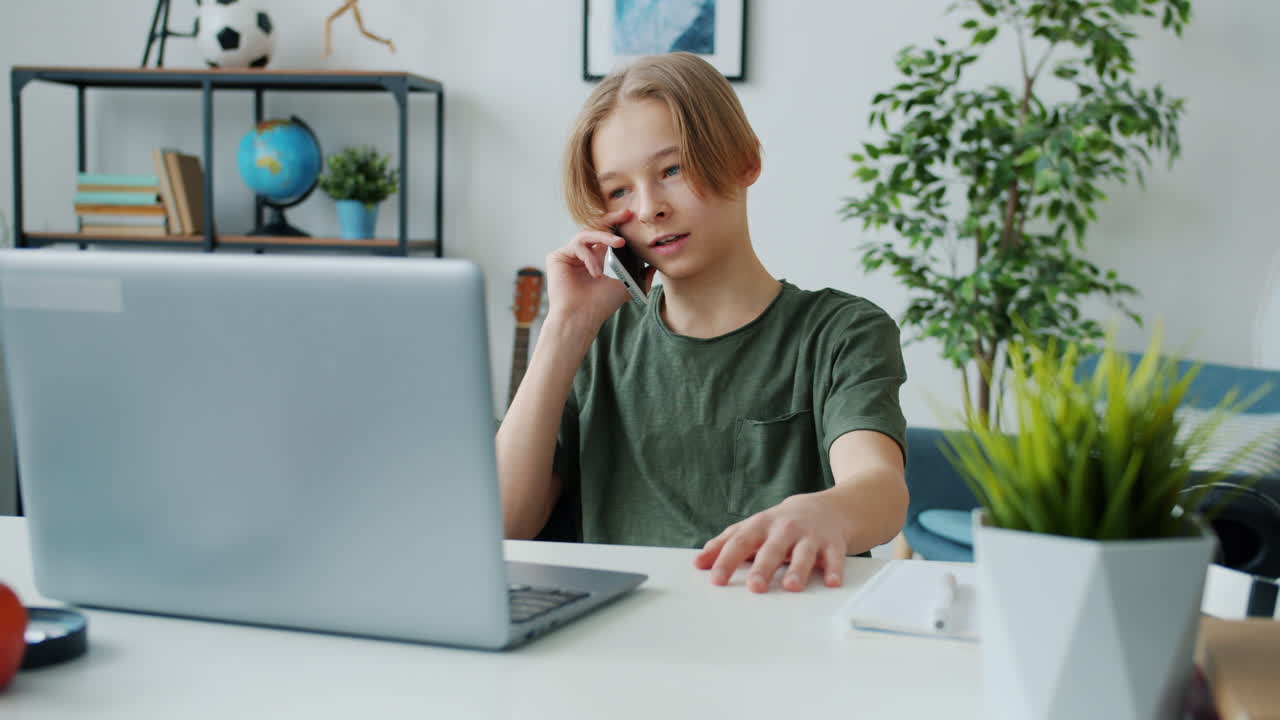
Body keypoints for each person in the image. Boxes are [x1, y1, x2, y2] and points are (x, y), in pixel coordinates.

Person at [497, 52, 908, 594]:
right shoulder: (593, 341)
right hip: (618, 635)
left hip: (782, 630)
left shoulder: (841, 332)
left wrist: (826, 511)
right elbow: (504, 523)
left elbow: (880, 488)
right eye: (619, 191)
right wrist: (563, 328)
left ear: (744, 161)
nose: (650, 208)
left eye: (672, 171)